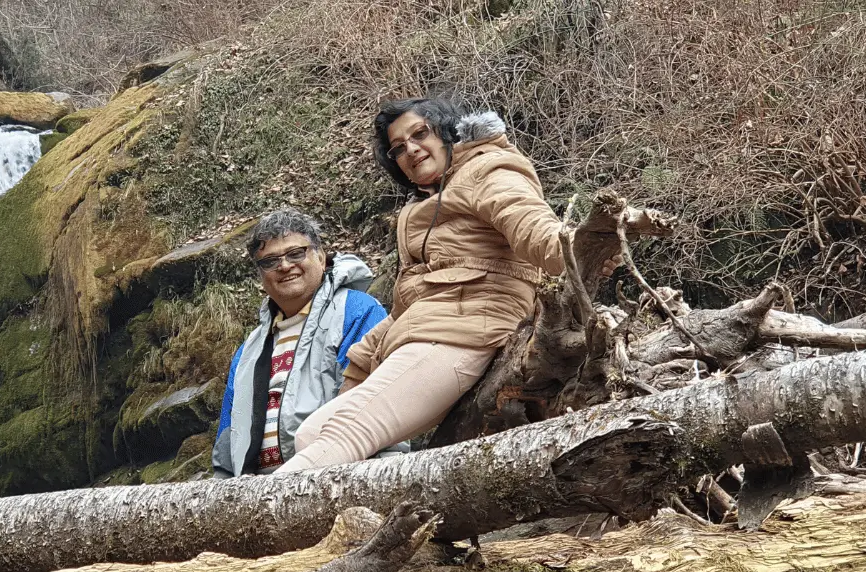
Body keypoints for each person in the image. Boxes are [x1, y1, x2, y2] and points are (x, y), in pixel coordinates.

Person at [275, 97, 620, 473]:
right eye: (398, 149)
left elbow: (530, 226)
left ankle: (255, 520)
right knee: (311, 433)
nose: (410, 150)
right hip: (427, 333)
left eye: (419, 133)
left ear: (447, 131)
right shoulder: (421, 207)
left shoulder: (487, 168)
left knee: (344, 433)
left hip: (467, 328)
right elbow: (407, 308)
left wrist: (582, 245)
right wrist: (358, 373)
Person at [212, 208, 393, 477]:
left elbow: (376, 402)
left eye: (296, 253)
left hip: (338, 475)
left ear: (321, 257)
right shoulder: (248, 350)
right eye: (270, 261)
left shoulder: (356, 311)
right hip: (254, 494)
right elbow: (228, 435)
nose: (284, 266)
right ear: (260, 275)